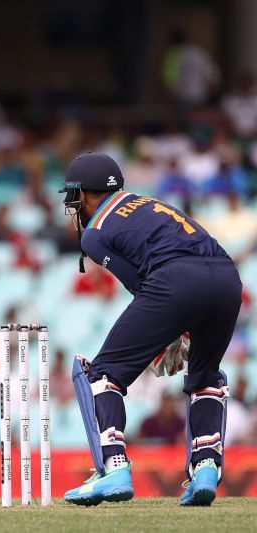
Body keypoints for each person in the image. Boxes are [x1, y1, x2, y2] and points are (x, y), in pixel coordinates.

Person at [59, 152, 241, 507]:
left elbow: (140, 284)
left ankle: (113, 470)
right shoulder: (147, 202)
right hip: (227, 278)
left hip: (174, 281)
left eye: (72, 194)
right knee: (204, 375)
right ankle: (205, 469)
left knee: (102, 374)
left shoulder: (94, 234)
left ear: (81, 194)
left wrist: (170, 327)